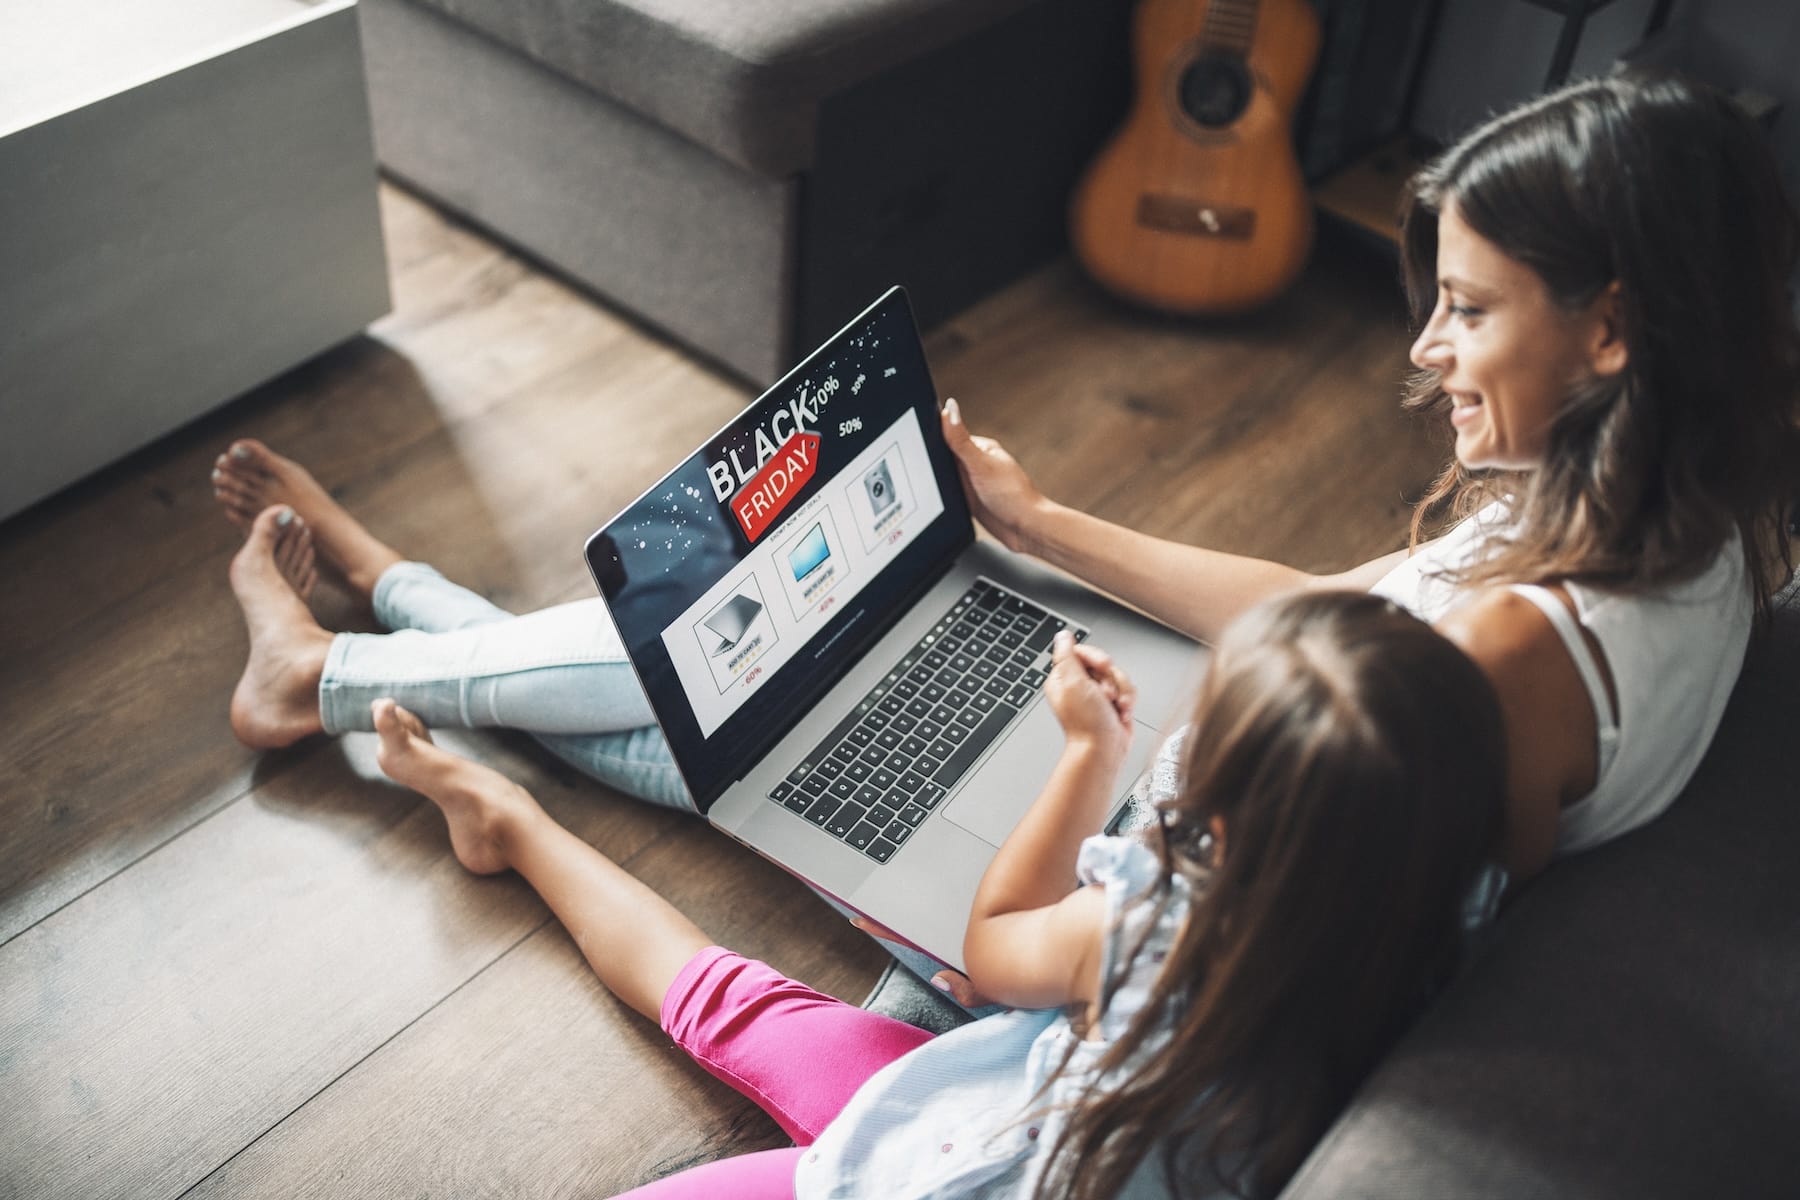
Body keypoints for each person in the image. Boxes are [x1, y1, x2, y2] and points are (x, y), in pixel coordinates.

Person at [216, 69, 1798, 988]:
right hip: (1178, 754)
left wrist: (1094, 798)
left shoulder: (1532, 646)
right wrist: (1046, 523)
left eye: (1466, 309)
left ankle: (343, 664)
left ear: (1612, 329)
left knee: (753, 727)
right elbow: (1330, 609)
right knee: (803, 669)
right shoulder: (1687, 520)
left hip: (1152, 856)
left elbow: (1354, 924)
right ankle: (381, 625)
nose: (1424, 352)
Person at [363, 590, 1506, 1199]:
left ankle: (499, 800)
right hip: (986, 1108)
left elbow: (1001, 945)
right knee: (745, 1009)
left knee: (729, 1005)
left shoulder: (1156, 932)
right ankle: (503, 814)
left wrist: (1084, 764)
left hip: (934, 1175)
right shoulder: (1435, 944)